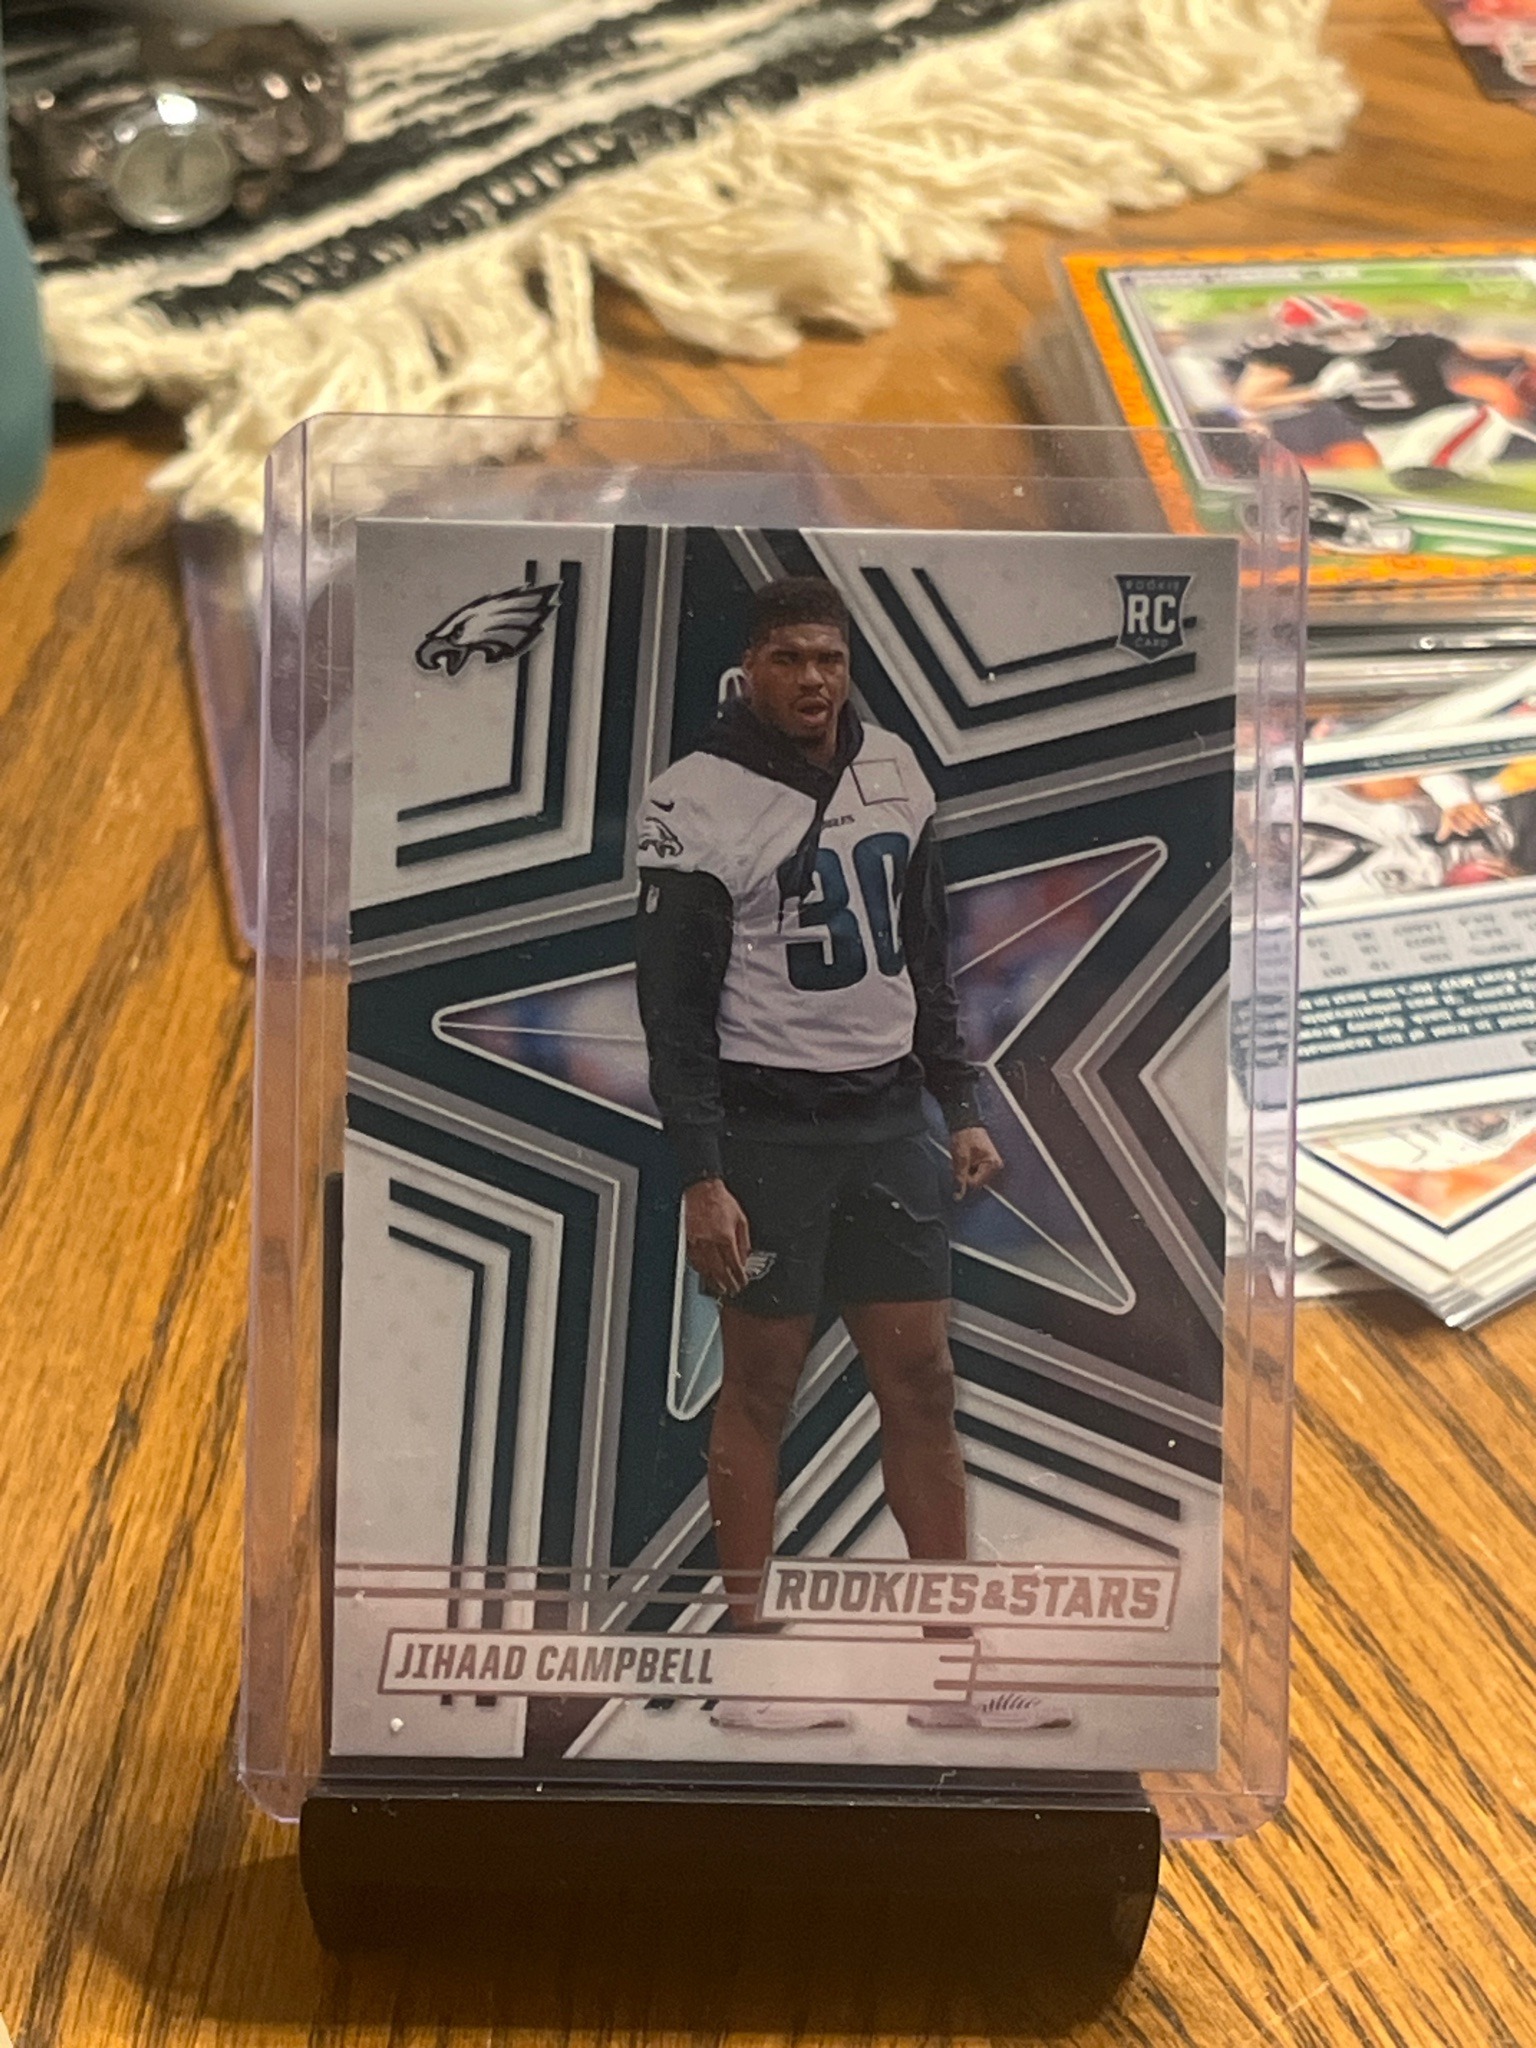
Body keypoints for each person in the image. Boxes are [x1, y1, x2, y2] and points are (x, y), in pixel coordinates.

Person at [634, 575, 1073, 1736]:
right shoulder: (696, 795)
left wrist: (959, 1101)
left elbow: (926, 952)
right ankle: (749, 1662)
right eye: (788, 657)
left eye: (828, 657)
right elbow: (672, 1007)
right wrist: (703, 1171)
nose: (813, 679)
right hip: (770, 1133)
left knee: (923, 1384)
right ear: (750, 668)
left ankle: (954, 1669)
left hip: (886, 1125)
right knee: (761, 1387)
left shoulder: (894, 770)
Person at [1226, 294, 1536, 480]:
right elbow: (1250, 400)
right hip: (1386, 436)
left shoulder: (1405, 334)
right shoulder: (1300, 356)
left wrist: (1521, 348)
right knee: (1445, 484)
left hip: (1450, 420)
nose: (1354, 335)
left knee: (1441, 467)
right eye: (1337, 331)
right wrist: (1317, 391)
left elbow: (1467, 345)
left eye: (1357, 324)